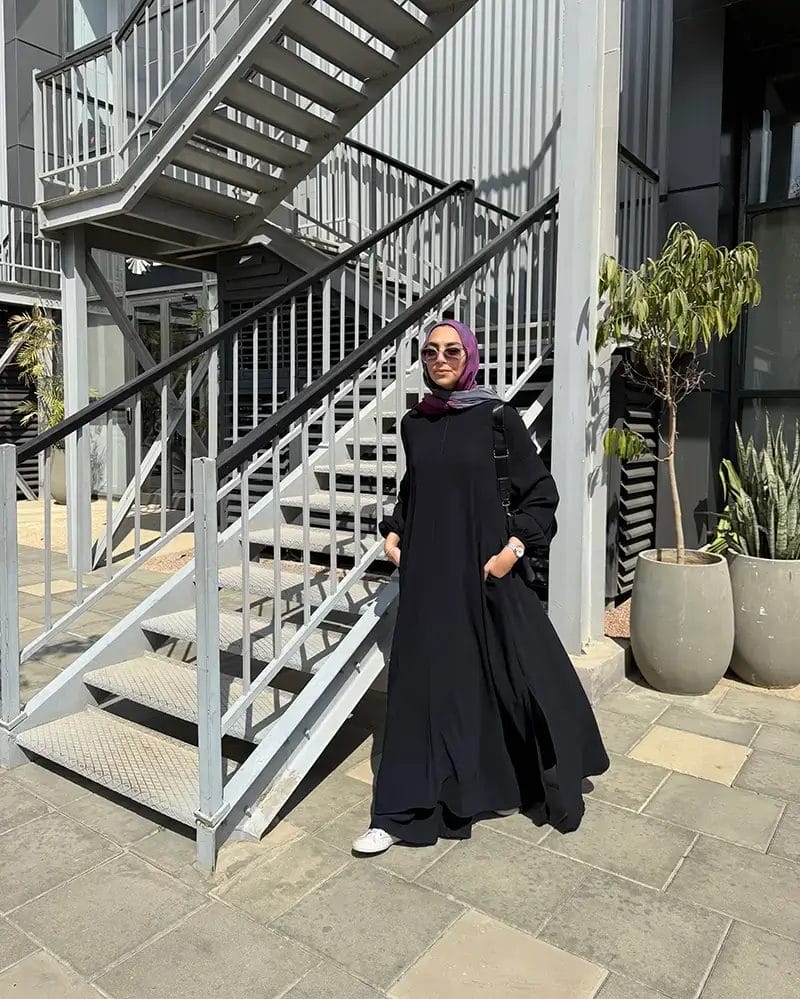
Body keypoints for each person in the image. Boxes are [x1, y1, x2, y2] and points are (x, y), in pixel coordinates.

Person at [352, 319, 609, 855]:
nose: (440, 360)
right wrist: (395, 529)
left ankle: (495, 782)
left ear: (470, 356)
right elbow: (418, 486)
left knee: (506, 674)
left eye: (452, 351)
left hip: (484, 570)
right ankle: (398, 812)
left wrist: (512, 551)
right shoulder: (415, 423)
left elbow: (541, 493)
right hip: (428, 573)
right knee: (419, 685)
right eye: (430, 352)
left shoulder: (497, 417)